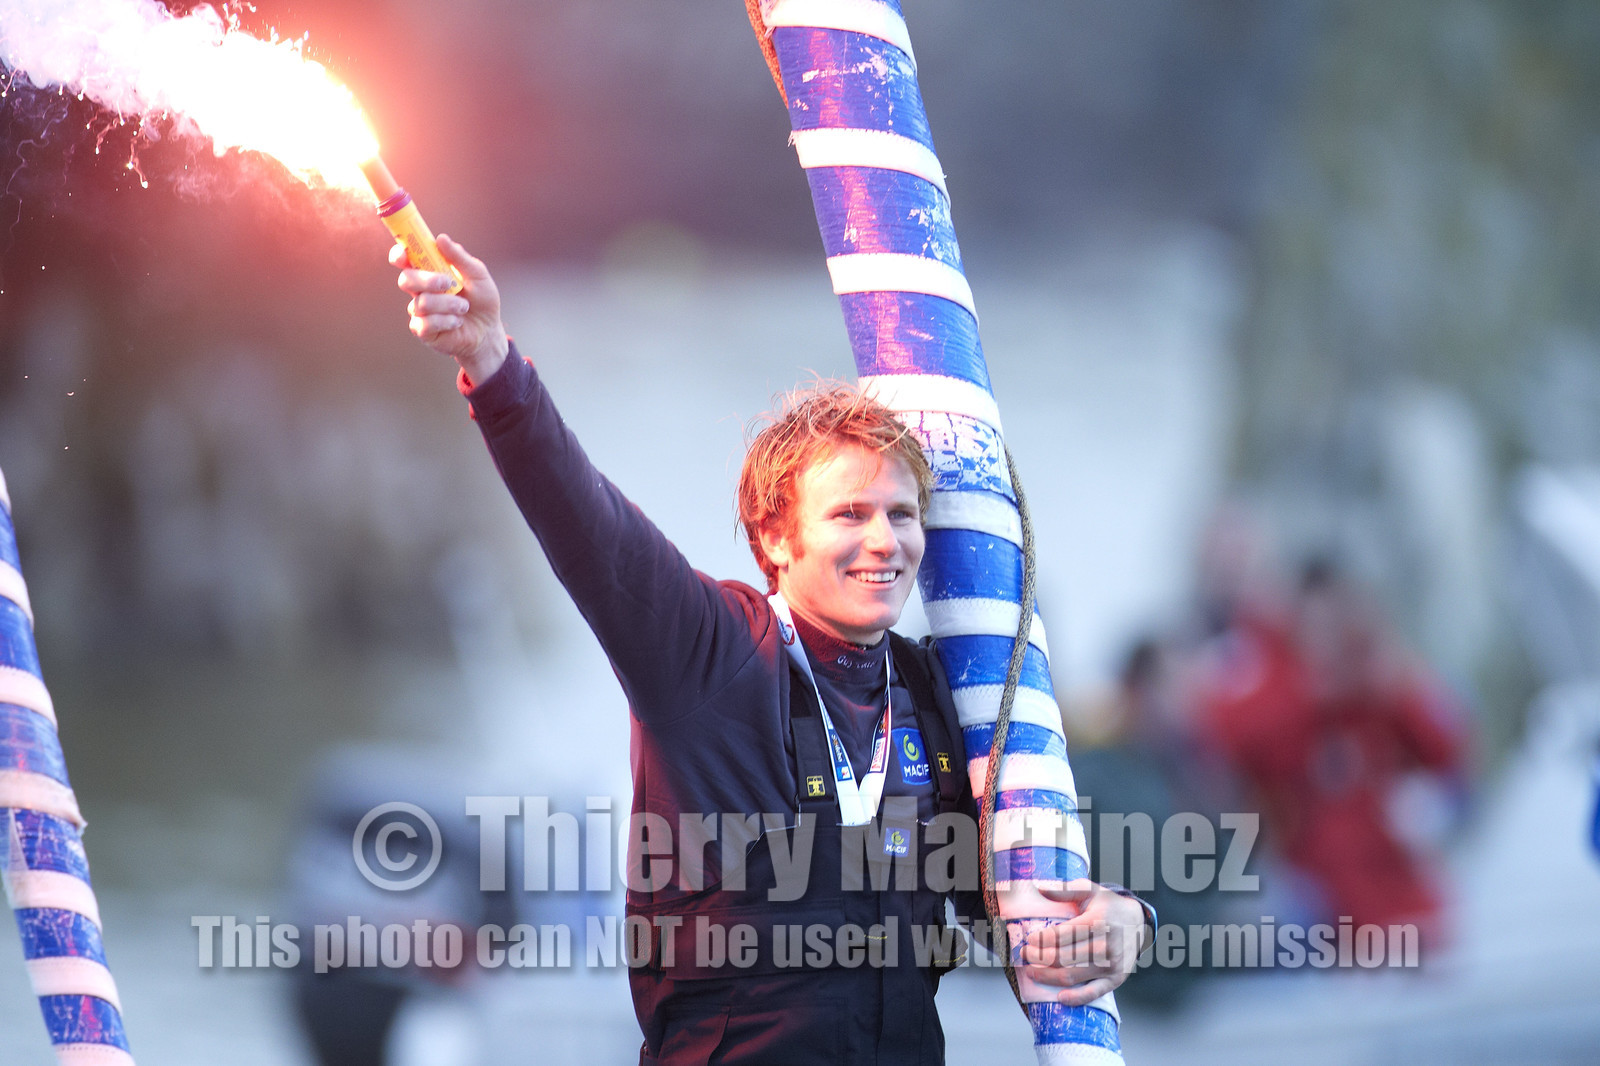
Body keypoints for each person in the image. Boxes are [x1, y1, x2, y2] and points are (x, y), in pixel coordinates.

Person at [390, 235, 1148, 1065]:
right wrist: (492, 361)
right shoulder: (706, 654)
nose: (885, 542)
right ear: (774, 538)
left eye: (902, 514)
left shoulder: (932, 695)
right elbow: (584, 518)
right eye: (850, 515)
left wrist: (1125, 921)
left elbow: (1009, 901)